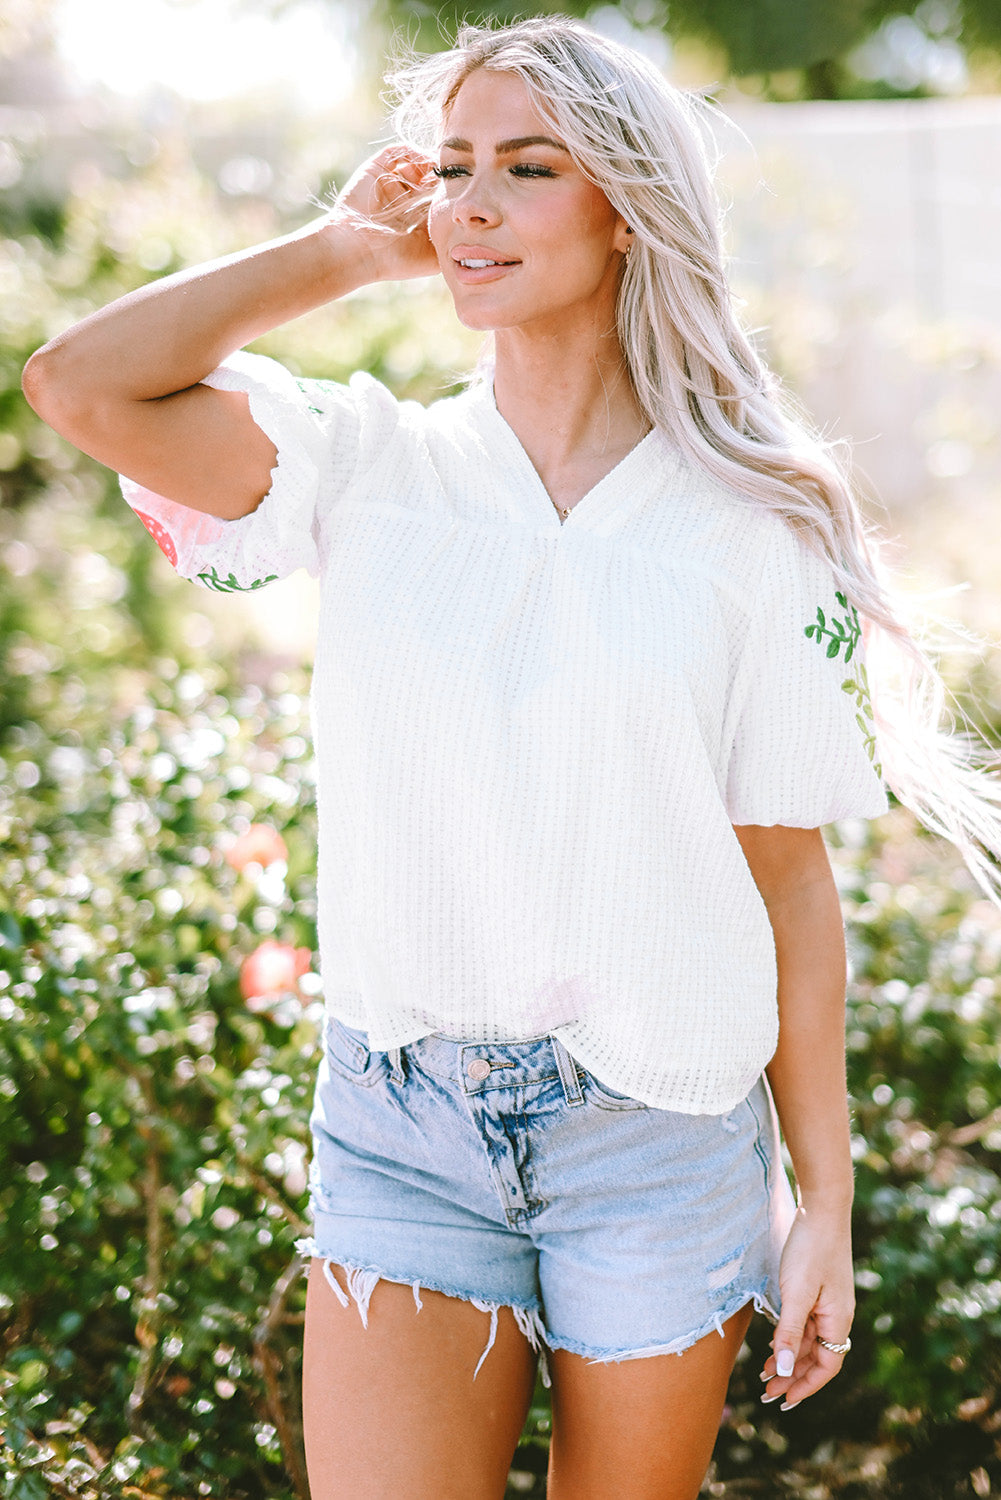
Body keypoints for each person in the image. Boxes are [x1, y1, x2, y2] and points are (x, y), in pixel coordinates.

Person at [22, 16, 1001, 1500]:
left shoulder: (752, 531)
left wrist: (824, 1201)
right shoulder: (368, 467)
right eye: (454, 165)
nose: (468, 204)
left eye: (526, 169)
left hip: (657, 1137)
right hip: (402, 1121)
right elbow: (81, 386)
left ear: (625, 211)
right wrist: (343, 250)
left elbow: (787, 878)